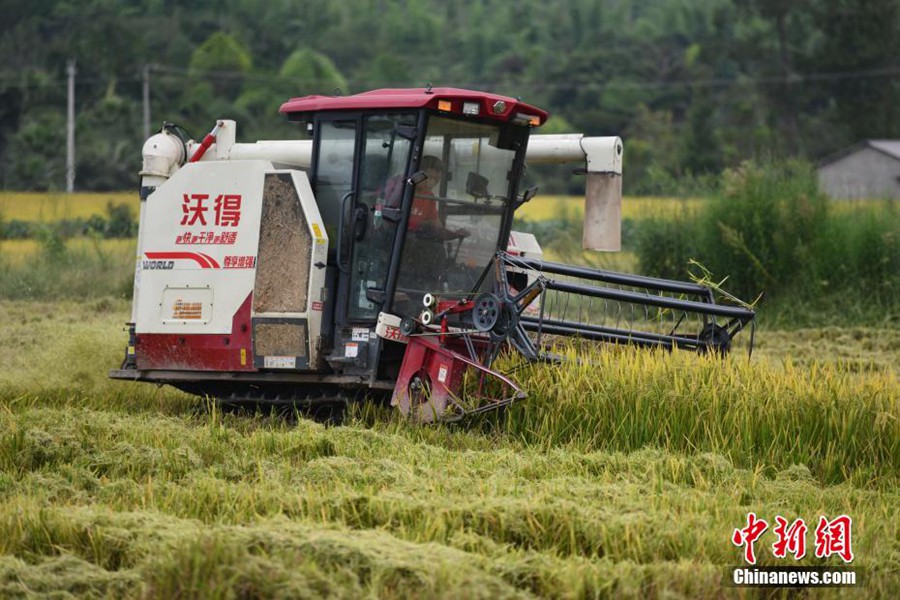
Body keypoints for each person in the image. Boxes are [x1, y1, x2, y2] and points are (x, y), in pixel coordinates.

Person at [408, 156, 469, 240]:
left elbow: (436, 226)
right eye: (429, 178)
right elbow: (397, 221)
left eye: (436, 180)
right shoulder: (404, 191)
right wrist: (426, 223)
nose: (432, 183)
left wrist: (455, 234)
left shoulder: (429, 197)